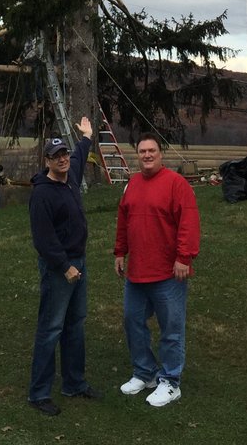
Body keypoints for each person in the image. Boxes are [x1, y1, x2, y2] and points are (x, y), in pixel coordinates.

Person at [114, 130, 200, 408]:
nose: (147, 155)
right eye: (142, 151)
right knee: (132, 322)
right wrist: (119, 252)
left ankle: (170, 381)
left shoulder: (177, 184)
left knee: (171, 329)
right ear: (137, 155)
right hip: (137, 272)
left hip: (168, 273)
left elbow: (189, 222)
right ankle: (145, 373)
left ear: (160, 154)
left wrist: (184, 257)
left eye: (152, 151)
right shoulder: (133, 184)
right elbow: (123, 221)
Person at [27, 116, 102, 416]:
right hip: (60, 269)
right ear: (46, 160)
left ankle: (74, 382)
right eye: (56, 156)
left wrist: (86, 136)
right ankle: (38, 393)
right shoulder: (42, 193)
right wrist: (64, 267)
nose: (62, 160)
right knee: (51, 328)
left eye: (64, 155)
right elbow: (43, 240)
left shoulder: (70, 176)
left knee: (75, 325)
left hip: (78, 264)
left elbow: (81, 154)